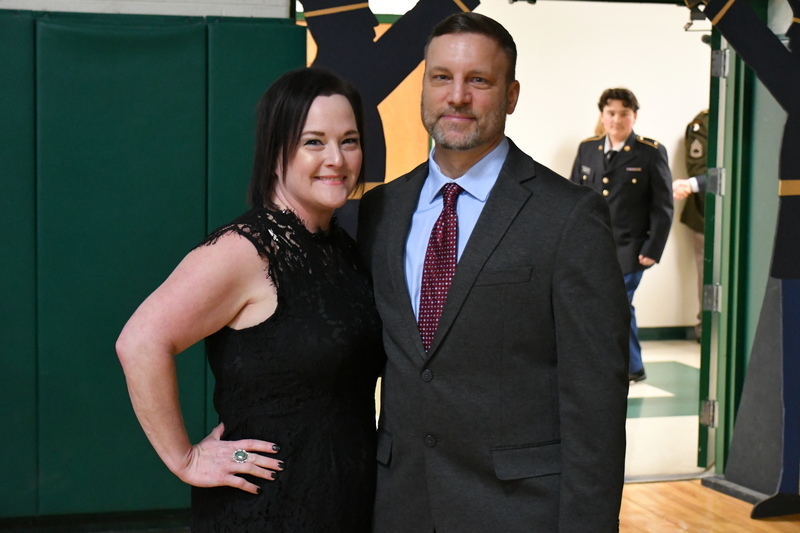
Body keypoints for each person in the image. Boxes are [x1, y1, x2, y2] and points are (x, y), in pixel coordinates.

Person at [358, 12, 630, 533]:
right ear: (424, 87)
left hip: (517, 511)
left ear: (511, 95)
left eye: (478, 80)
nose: (457, 96)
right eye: (442, 77)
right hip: (400, 506)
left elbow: (595, 400)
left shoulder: (568, 217)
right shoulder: (383, 210)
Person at [116, 67, 384, 532]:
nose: (336, 159)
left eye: (350, 141)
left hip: (344, 506)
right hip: (264, 512)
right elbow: (139, 343)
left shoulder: (341, 248)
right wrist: (186, 458)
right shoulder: (245, 250)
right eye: (314, 142)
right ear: (276, 152)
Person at [570, 88, 673, 383]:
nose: (616, 120)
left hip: (631, 249)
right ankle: (625, 365)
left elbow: (663, 206)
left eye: (624, 113)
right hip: (592, 247)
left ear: (634, 116)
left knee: (616, 304)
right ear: (602, 115)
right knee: (603, 306)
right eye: (611, 113)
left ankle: (628, 367)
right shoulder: (588, 148)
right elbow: (573, 197)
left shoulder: (650, 152)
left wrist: (653, 249)